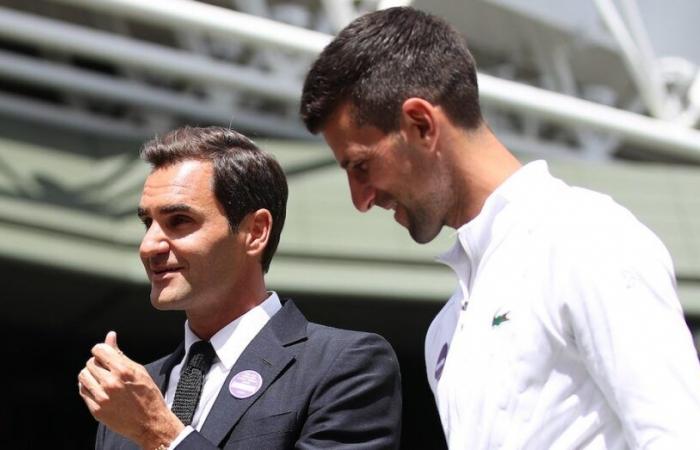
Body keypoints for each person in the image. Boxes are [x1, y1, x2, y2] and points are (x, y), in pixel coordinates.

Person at [300, 6, 700, 449]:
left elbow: (677, 435)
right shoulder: (447, 328)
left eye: (361, 165)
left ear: (421, 125)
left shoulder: (587, 237)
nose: (361, 199)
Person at [77, 126, 402, 450]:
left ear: (256, 231)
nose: (149, 246)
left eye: (179, 221)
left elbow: (158, 430)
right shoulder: (130, 402)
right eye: (148, 223)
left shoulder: (343, 365)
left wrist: (161, 435)